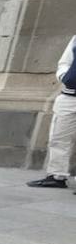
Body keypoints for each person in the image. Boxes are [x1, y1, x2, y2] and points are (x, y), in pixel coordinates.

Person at [27, 32, 76, 190]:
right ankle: (56, 175)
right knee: (59, 137)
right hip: (70, 96)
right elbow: (64, 62)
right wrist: (65, 77)